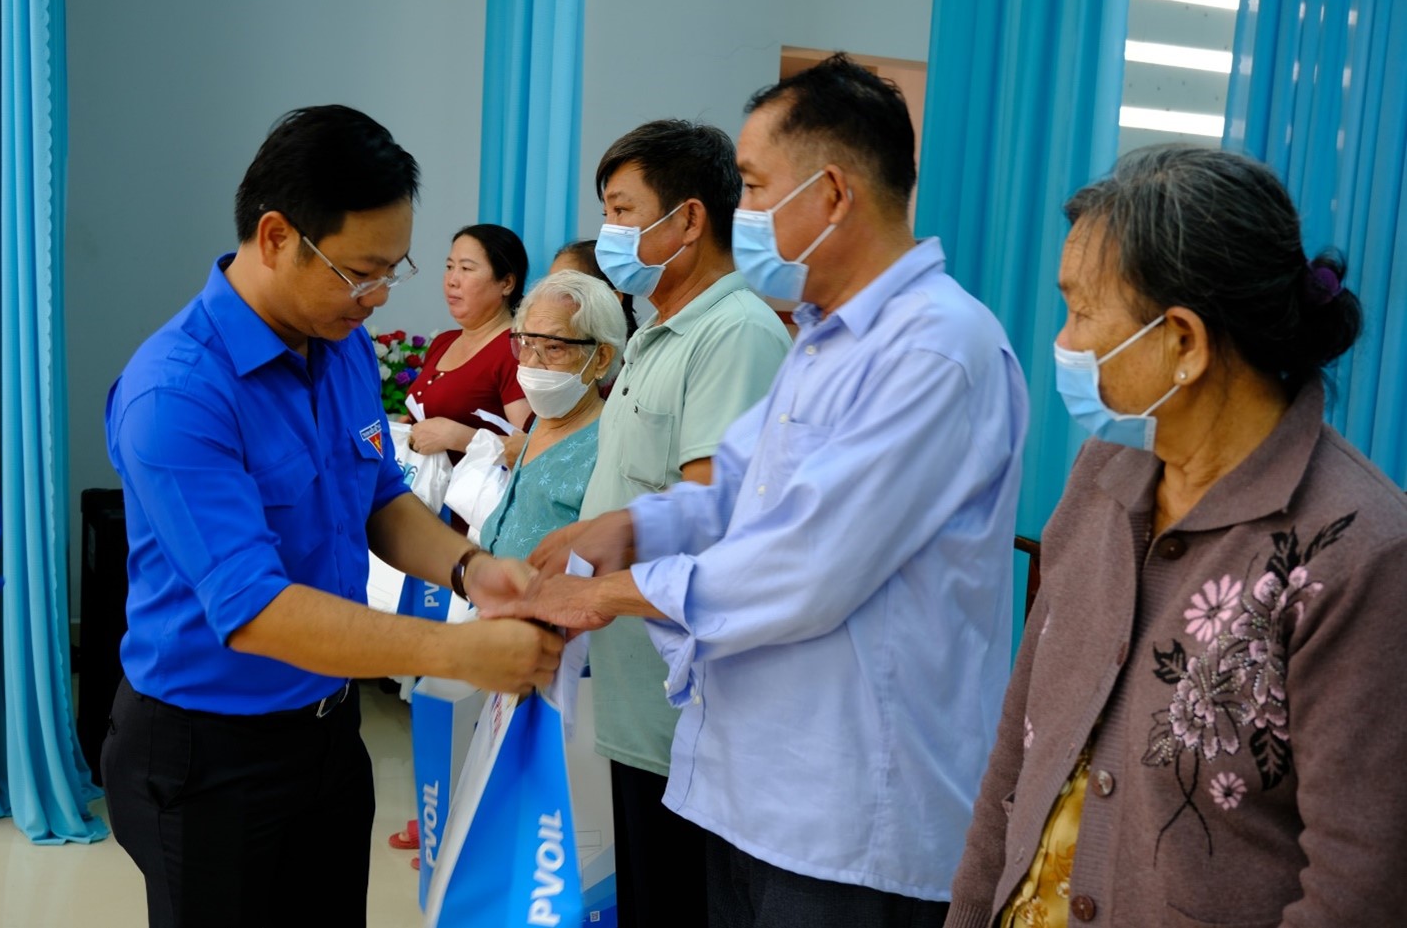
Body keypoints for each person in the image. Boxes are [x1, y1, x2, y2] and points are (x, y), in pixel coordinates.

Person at [502, 54, 1029, 927]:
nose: (739, 213)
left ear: (832, 193)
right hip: (752, 785)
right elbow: (733, 493)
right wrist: (626, 528)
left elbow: (806, 561)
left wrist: (610, 592)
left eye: (752, 188)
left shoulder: (934, 349)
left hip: (849, 813)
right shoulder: (823, 339)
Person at [101, 105, 562, 928]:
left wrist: (472, 568)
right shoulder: (177, 391)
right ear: (277, 236)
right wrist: (460, 651)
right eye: (360, 272)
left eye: (393, 269)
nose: (377, 297)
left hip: (326, 733)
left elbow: (378, 496)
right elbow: (256, 609)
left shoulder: (340, 343)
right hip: (209, 754)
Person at [946, 146, 1407, 927]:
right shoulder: (1103, 475)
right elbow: (1019, 751)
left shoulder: (1355, 550)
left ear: (1184, 341)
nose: (1064, 340)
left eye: (1082, 312)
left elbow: (1357, 884)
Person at [535, 119, 791, 928]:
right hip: (632, 698)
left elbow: (716, 516)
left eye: (623, 210)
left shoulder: (735, 334)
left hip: (682, 713)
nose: (608, 231)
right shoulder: (655, 331)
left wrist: (600, 580)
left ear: (688, 220)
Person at [481, 269, 626, 561]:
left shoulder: (611, 444)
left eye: (554, 348)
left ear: (601, 359)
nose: (532, 363)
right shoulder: (543, 420)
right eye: (525, 344)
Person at [404, 223, 532, 463]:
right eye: (449, 267)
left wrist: (459, 437)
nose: (452, 280)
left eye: (466, 268)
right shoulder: (443, 342)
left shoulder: (516, 350)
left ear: (506, 283)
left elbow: (531, 451)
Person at [551, 238, 638, 342]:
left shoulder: (637, 350)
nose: (550, 297)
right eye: (550, 287)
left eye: (568, 288)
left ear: (612, 299)